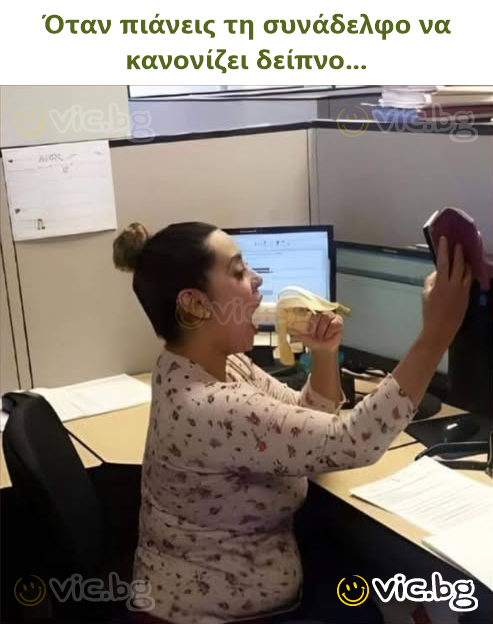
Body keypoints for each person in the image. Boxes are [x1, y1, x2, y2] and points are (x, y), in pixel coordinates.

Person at [112, 222, 472, 624]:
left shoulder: (197, 365)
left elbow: (306, 423)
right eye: (238, 271)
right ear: (195, 305)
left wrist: (323, 354)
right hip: (215, 615)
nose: (257, 278)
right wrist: (438, 332)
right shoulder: (211, 405)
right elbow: (351, 442)